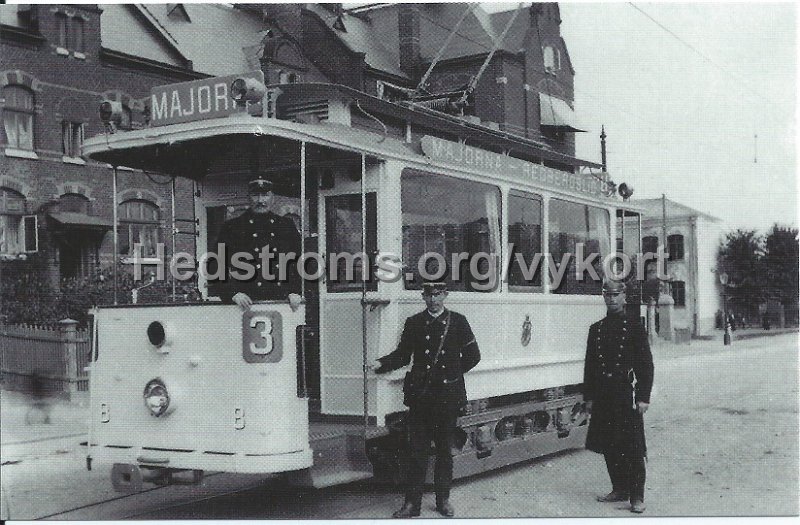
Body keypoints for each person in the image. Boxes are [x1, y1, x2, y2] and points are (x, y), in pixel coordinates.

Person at [373, 281, 481, 518]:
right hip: (420, 398)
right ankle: (412, 505)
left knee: (444, 451)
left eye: (437, 295)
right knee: (416, 452)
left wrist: (451, 374)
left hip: (447, 397)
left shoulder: (458, 322)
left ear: (445, 295)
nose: (433, 300)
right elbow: (403, 354)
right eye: (428, 295)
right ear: (423, 297)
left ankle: (443, 501)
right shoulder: (414, 323)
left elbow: (474, 355)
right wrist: (381, 363)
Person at [583, 278, 654, 514]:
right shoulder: (597, 329)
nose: (611, 299)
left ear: (624, 297)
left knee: (632, 446)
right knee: (609, 443)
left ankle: (637, 496)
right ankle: (619, 488)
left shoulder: (634, 326)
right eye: (607, 295)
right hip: (603, 394)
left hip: (625, 392)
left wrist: (643, 396)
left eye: (616, 295)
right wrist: (589, 397)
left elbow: (646, 364)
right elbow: (590, 366)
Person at [208, 176, 302, 309]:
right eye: (255, 195)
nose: (260, 200)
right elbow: (214, 266)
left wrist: (295, 291)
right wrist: (232, 294)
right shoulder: (232, 227)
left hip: (282, 303)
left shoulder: (286, 226)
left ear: (272, 198)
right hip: (244, 304)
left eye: (265, 195)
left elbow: (300, 262)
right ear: (248, 198)